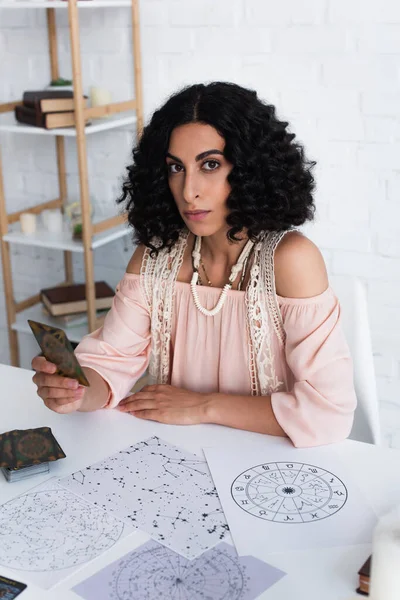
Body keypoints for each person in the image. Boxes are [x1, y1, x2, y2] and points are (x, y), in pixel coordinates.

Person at [31, 82, 357, 448]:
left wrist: (203, 407)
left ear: (250, 169)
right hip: (177, 455)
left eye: (210, 165)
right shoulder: (155, 258)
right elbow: (110, 363)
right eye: (175, 168)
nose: (188, 191)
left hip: (273, 467)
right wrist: (74, 390)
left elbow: (329, 414)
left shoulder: (290, 261)